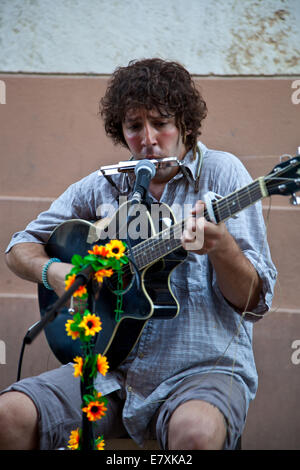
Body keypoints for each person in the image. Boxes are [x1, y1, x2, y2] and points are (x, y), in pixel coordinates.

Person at [1, 58, 277, 450]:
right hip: (108, 370)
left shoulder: (224, 175)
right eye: (134, 126)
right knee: (10, 415)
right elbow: (18, 248)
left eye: (161, 123)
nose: (147, 138)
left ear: (184, 124)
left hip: (200, 371)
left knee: (196, 435)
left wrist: (222, 248)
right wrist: (58, 273)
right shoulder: (103, 186)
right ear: (122, 130)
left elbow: (254, 303)